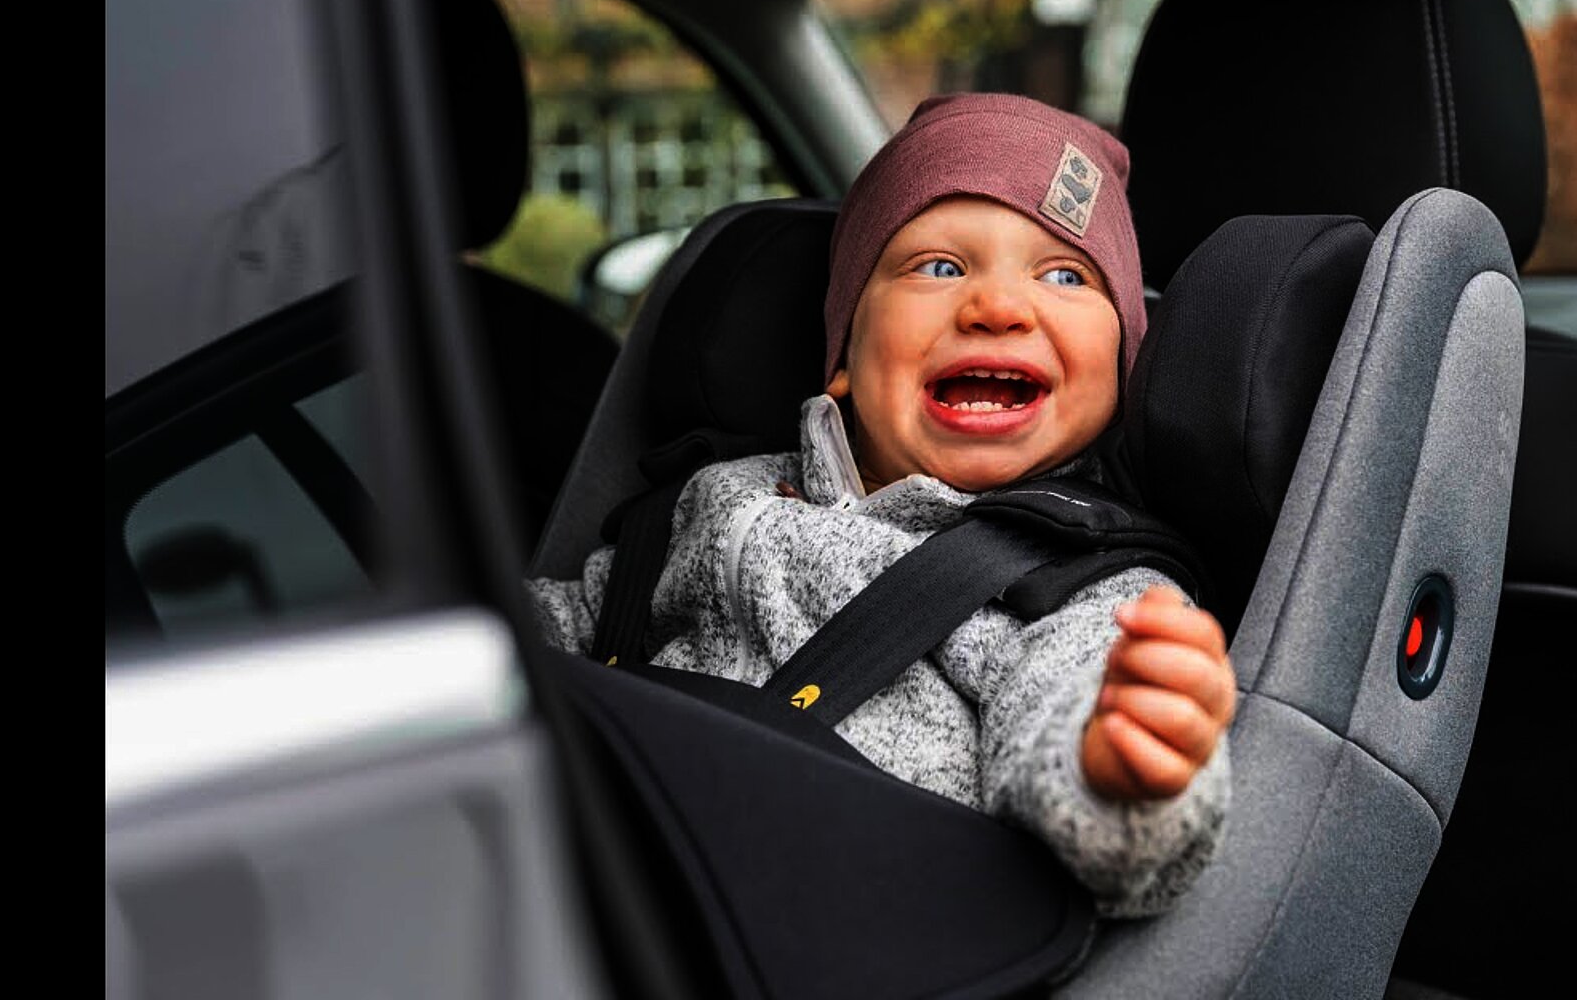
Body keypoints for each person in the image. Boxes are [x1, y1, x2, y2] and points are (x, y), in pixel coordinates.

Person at [527, 92, 1234, 918]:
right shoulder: (719, 493)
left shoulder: (1091, 591)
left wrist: (1120, 769)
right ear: (845, 359)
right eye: (939, 267)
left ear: (1117, 376)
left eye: (1065, 275)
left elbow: (1063, 737)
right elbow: (573, 620)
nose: (999, 307)